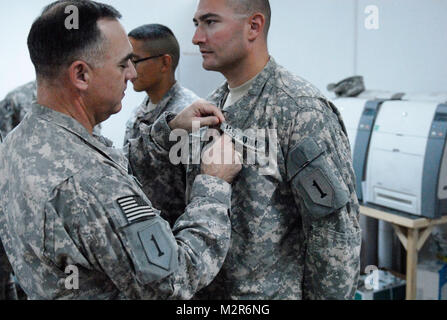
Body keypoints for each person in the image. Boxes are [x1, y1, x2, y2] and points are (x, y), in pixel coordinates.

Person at [0, 0, 241, 300]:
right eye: (123, 63)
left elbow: (106, 167)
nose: (131, 73)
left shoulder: (20, 141)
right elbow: (174, 280)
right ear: (81, 75)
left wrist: (166, 132)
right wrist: (214, 184)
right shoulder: (90, 183)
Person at [130, 0, 362, 300]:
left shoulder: (300, 111)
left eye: (210, 22)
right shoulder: (209, 107)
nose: (196, 38)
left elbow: (335, 238)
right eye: (196, 24)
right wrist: (170, 129)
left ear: (253, 26)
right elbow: (161, 192)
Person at [124, 24, 199, 224]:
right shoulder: (138, 113)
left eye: (135, 61)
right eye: (126, 62)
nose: (129, 71)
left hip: (179, 239)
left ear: (165, 63)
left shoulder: (189, 115)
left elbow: (198, 193)